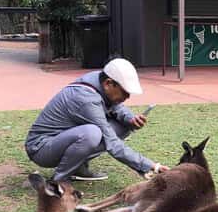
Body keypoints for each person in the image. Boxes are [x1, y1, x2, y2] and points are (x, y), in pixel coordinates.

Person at [25, 58, 169, 182]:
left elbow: (115, 105)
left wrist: (130, 119)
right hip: (41, 149)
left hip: (60, 140)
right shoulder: (86, 99)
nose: (127, 97)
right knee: (92, 133)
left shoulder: (98, 79)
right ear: (108, 83)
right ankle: (57, 181)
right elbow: (112, 143)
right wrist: (151, 166)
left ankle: (78, 168)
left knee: (123, 125)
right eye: (125, 92)